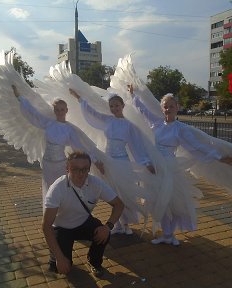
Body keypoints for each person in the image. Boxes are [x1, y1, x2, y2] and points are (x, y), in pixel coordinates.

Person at [129, 85, 232, 246]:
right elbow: (143, 111)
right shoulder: (156, 123)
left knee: (172, 201)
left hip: (170, 167)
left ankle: (170, 234)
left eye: (171, 106)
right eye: (165, 106)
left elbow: (198, 147)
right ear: (162, 109)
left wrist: (219, 157)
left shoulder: (180, 129)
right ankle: (165, 234)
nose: (168, 109)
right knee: (158, 201)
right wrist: (133, 95)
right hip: (155, 168)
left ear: (177, 108)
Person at [69, 88, 155, 236]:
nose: (114, 108)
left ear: (122, 106)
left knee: (126, 194)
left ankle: (127, 223)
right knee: (113, 194)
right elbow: (92, 113)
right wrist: (79, 98)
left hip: (122, 163)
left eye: (117, 105)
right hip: (108, 162)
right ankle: (119, 223)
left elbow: (137, 146)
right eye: (112, 106)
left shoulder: (129, 126)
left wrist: (146, 162)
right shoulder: (108, 120)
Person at [12, 85, 104, 205]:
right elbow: (33, 113)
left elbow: (80, 147)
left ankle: (64, 215)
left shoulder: (69, 130)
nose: (60, 112)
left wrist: (95, 161)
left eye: (62, 109)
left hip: (60, 164)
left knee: (62, 189)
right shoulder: (48, 123)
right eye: (57, 109)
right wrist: (19, 97)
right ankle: (51, 214)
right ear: (54, 110)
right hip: (47, 164)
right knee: (49, 189)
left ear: (66, 110)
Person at [42, 151, 124, 277]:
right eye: (75, 169)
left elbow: (119, 204)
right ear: (67, 169)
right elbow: (46, 226)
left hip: (83, 221)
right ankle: (57, 256)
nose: (80, 174)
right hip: (62, 227)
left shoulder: (95, 183)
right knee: (62, 268)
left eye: (84, 169)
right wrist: (59, 258)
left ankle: (94, 262)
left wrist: (108, 227)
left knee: (103, 233)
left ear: (89, 169)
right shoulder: (57, 188)